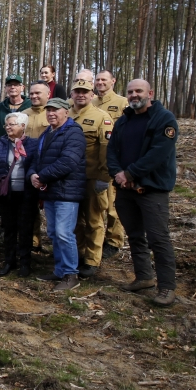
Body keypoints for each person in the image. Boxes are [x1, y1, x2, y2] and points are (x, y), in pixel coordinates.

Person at [108, 79, 178, 306]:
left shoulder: (164, 119)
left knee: (158, 239)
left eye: (139, 91)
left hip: (152, 190)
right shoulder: (124, 120)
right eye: (130, 92)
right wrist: (119, 174)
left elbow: (158, 154)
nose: (134, 95)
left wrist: (130, 174)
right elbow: (112, 151)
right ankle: (144, 277)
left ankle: (167, 287)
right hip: (125, 190)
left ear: (150, 93)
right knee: (135, 235)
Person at [27, 98, 87, 291]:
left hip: (66, 192)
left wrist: (42, 176)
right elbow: (37, 158)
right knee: (53, 232)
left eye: (56, 110)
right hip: (51, 191)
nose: (51, 113)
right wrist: (32, 175)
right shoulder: (47, 133)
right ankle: (60, 270)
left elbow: (68, 162)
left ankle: (71, 274)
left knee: (64, 233)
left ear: (66, 112)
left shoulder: (73, 133)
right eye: (49, 110)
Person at [0, 112, 38, 277]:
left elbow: (37, 166)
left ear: (23, 126)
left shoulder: (34, 144)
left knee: (26, 230)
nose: (8, 127)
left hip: (27, 194)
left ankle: (25, 263)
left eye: (12, 124)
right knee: (9, 229)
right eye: (7, 124)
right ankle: (9, 261)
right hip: (7, 195)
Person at [68, 78, 114, 278]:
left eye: (85, 91)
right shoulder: (65, 114)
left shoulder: (101, 117)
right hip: (70, 179)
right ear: (72, 94)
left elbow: (107, 149)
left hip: (93, 177)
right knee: (75, 220)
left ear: (92, 94)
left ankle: (92, 260)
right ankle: (77, 255)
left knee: (94, 220)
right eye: (77, 91)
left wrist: (104, 177)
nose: (81, 95)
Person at [94, 70, 129, 259]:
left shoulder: (122, 102)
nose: (100, 83)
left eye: (103, 80)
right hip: (97, 160)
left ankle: (114, 240)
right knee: (99, 203)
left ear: (113, 81)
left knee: (113, 205)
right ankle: (98, 240)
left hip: (116, 158)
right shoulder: (92, 102)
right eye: (97, 80)